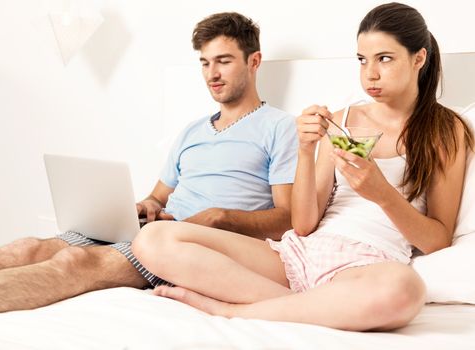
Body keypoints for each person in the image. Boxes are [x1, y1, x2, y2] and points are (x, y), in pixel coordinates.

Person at [132, 2, 474, 331]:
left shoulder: (445, 132)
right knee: (152, 239)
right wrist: (306, 149)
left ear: (419, 58)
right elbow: (304, 224)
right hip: (298, 254)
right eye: (362, 60)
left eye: (384, 59)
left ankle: (233, 309)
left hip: (366, 265)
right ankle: (309, 305)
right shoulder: (343, 121)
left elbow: (438, 240)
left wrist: (382, 194)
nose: (370, 74)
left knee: (406, 291)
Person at [0, 12, 298, 314]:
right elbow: (158, 198)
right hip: (155, 228)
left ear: (254, 62)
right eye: (205, 63)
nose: (212, 74)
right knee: (28, 247)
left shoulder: (279, 126)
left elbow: (288, 219)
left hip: (187, 247)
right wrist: (145, 206)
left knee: (75, 262)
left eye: (224, 60)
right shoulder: (192, 131)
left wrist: (221, 217)